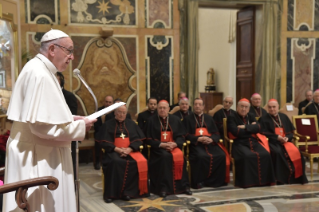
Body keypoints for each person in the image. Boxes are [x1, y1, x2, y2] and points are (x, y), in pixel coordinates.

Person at [3, 29, 96, 212]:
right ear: (52, 49)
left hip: (39, 151)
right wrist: (79, 127)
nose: (71, 57)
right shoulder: (40, 74)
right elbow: (41, 127)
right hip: (37, 157)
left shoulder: (42, 70)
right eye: (68, 50)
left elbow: (44, 116)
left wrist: (70, 119)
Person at [95, 105, 149, 203]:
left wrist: (129, 149)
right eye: (119, 112)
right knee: (116, 162)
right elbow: (103, 142)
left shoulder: (131, 124)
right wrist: (117, 149)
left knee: (137, 162)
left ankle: (128, 193)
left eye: (124, 113)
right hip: (113, 151)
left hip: (129, 151)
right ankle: (111, 194)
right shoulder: (107, 125)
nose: (122, 115)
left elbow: (139, 139)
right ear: (115, 113)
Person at [145, 100, 191, 197]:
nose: (162, 110)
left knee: (181, 157)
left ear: (168, 109)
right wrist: (161, 144)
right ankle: (163, 188)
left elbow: (181, 136)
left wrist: (174, 144)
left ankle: (183, 187)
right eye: (160, 108)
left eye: (164, 108)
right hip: (158, 149)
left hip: (173, 146)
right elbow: (148, 139)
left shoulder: (175, 120)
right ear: (157, 109)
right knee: (165, 157)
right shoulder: (151, 121)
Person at [227, 98, 275, 188]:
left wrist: (244, 127)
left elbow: (259, 128)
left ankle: (264, 181)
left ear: (249, 109)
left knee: (266, 154)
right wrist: (251, 129)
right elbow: (235, 132)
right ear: (237, 107)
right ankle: (247, 182)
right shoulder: (231, 117)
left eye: (246, 107)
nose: (243, 109)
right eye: (241, 106)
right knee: (247, 156)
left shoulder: (251, 115)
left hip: (253, 142)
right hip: (239, 143)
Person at [259, 99, 308, 184]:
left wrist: (287, 138)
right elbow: (262, 133)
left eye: (274, 107)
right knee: (278, 152)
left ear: (278, 107)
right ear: (267, 108)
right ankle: (281, 179)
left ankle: (297, 178)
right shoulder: (263, 119)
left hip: (285, 141)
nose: (272, 109)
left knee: (297, 152)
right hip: (272, 142)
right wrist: (276, 137)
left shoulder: (284, 116)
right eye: (270, 107)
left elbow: (291, 132)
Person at [183, 98, 230, 189]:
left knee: (221, 155)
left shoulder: (209, 118)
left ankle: (216, 181)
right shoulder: (187, 119)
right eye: (196, 104)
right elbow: (185, 134)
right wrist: (198, 139)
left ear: (203, 107)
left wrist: (211, 139)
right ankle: (199, 181)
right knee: (201, 156)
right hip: (196, 145)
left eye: (199, 104)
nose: (197, 106)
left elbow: (217, 133)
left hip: (210, 144)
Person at [56, 72, 78, 181]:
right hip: (53, 138)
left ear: (61, 82)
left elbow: (72, 117)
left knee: (69, 167)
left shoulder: (69, 96)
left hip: (67, 135)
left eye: (56, 80)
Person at [94, 95, 114, 170]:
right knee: (98, 141)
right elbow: (96, 125)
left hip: (111, 133)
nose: (108, 104)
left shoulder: (115, 112)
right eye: (106, 102)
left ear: (112, 103)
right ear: (104, 102)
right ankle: (98, 162)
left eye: (110, 102)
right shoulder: (99, 111)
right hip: (100, 132)